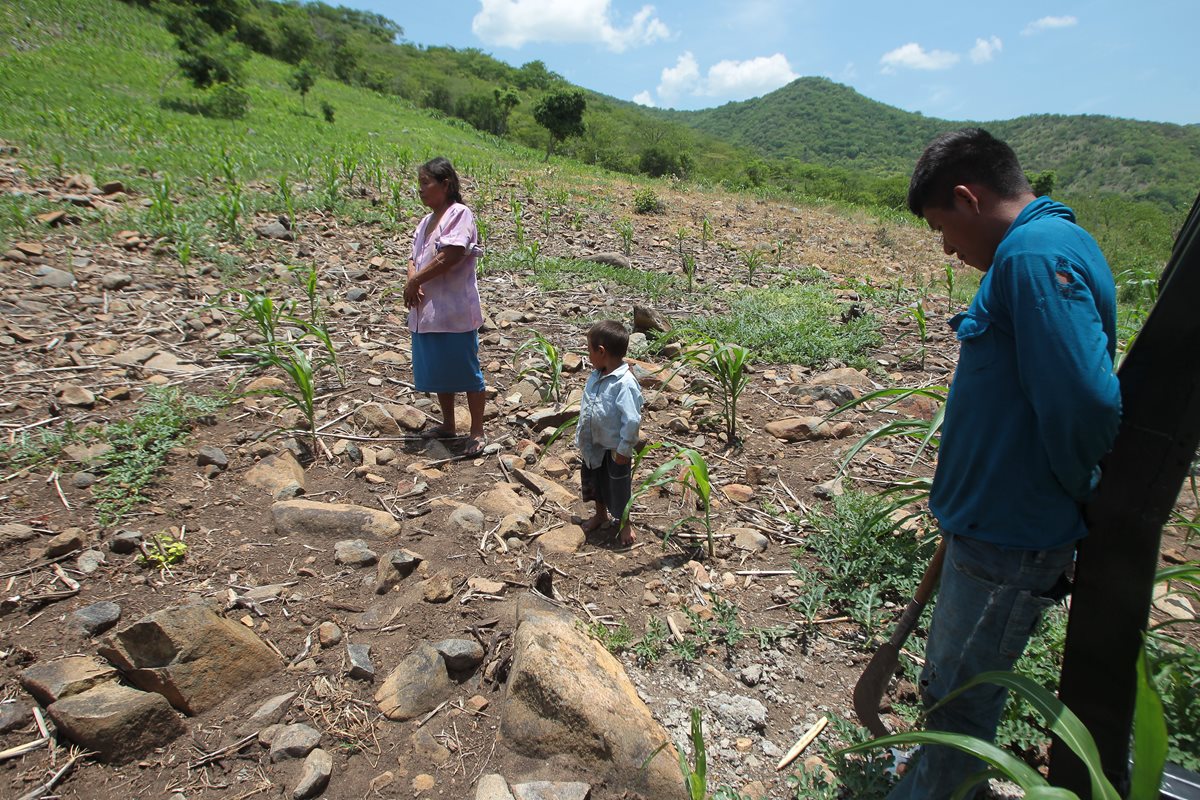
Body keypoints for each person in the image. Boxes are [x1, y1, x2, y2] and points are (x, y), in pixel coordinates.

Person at [887, 128, 1122, 800]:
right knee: (954, 689)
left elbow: (1084, 400)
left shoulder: (1031, 257)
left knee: (960, 703)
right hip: (994, 529)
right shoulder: (1045, 247)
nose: (947, 248)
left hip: (1008, 537)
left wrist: (1078, 486)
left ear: (967, 197)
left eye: (942, 226)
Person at [403, 157, 487, 457]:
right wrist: (413, 280)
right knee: (440, 370)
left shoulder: (459, 214)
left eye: (426, 183)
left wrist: (416, 281)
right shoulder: (426, 222)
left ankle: (477, 430)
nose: (421, 190)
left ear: (446, 184)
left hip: (454, 310)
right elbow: (414, 257)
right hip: (428, 312)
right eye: (419, 184)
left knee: (467, 372)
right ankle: (449, 424)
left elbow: (451, 254)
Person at [576, 320, 644, 546]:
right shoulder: (597, 374)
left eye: (589, 350)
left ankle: (625, 523)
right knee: (595, 480)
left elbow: (632, 419)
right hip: (594, 444)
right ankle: (600, 514)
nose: (588, 355)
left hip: (615, 448)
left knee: (618, 485)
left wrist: (625, 448)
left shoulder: (624, 383)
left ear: (601, 351)